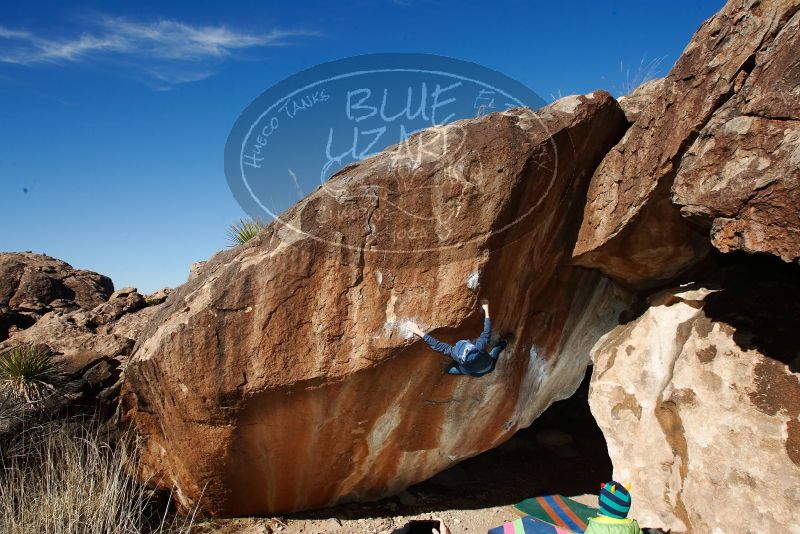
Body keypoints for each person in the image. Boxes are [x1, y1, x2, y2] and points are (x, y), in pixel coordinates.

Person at [406, 299, 508, 377]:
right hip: (489, 365)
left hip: (475, 373)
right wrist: (486, 309)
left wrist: (417, 331)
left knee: (449, 370)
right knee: (495, 351)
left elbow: (436, 345)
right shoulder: (479, 347)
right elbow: (487, 330)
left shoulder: (454, 353)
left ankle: (446, 370)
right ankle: (505, 341)